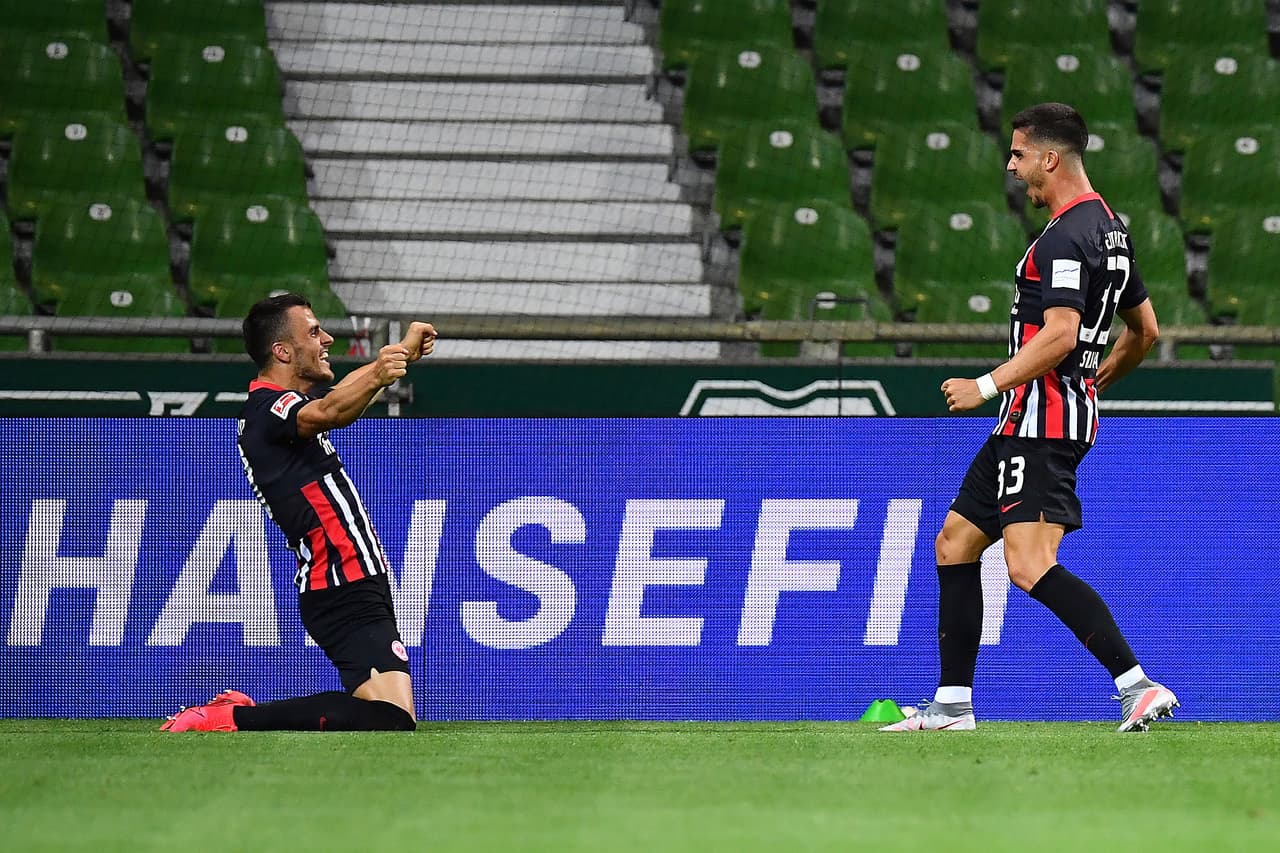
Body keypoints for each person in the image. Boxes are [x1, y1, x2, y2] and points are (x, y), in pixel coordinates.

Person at [881, 103, 1178, 733]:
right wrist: (1094, 384)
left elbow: (1063, 333)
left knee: (1028, 564)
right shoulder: (1110, 230)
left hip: (1038, 426)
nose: (1012, 166)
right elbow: (1145, 331)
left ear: (1050, 157)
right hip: (1029, 420)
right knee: (955, 543)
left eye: (1019, 154)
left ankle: (1138, 684)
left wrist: (986, 384)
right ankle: (952, 705)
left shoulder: (1067, 236)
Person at [161, 293, 436, 732]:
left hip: (352, 577)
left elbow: (337, 398)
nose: (326, 338)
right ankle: (230, 717)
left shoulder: (282, 408)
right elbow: (331, 408)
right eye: (313, 332)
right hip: (341, 579)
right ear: (282, 351)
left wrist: (400, 355)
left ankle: (234, 710)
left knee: (385, 714)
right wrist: (383, 372)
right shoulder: (268, 409)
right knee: (392, 718)